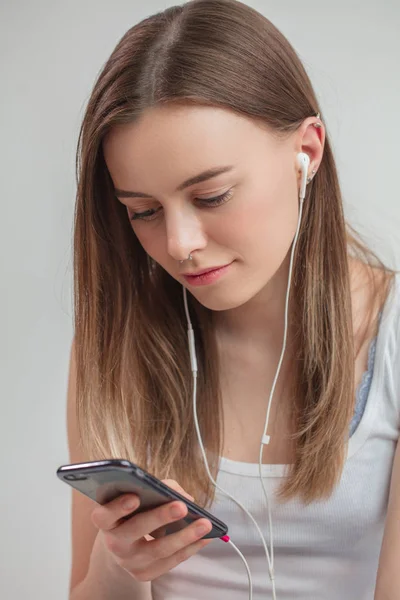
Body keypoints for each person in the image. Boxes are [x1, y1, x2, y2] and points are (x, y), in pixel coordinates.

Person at [66, 1, 400, 599]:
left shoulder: (391, 333)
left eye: (213, 195)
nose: (179, 244)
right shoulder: (118, 347)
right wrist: (119, 567)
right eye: (143, 211)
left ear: (308, 152)